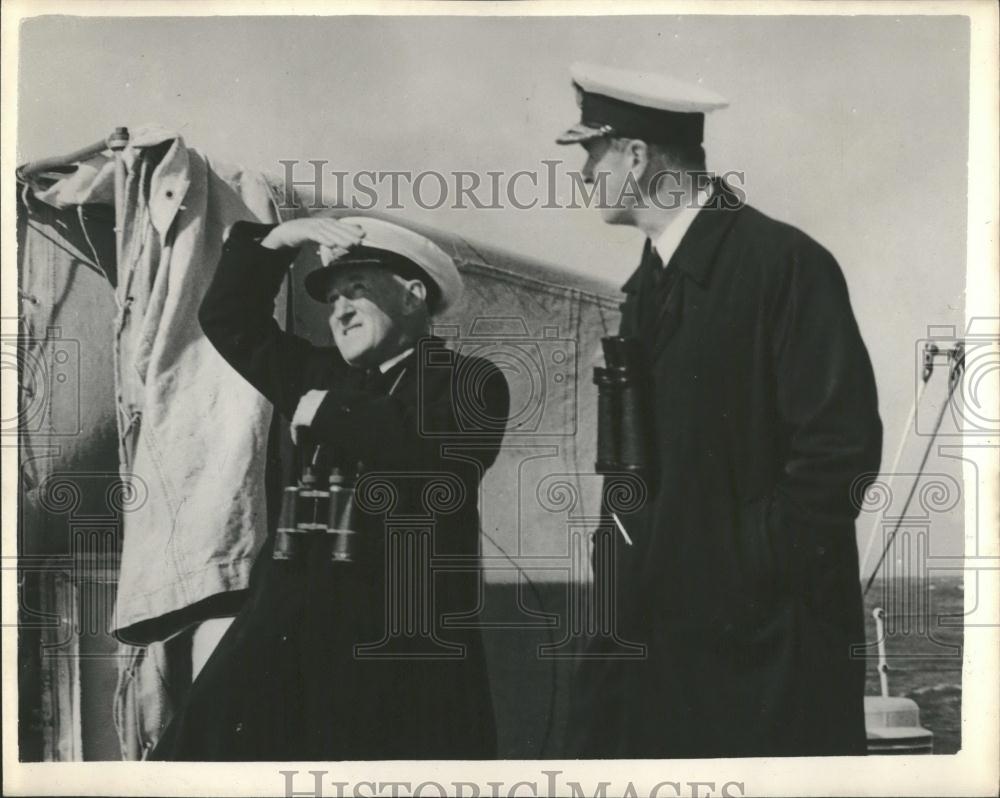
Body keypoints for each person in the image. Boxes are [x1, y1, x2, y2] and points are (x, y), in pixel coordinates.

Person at [556, 62, 883, 758]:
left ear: (638, 156)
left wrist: (741, 569)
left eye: (591, 151)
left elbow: (838, 457)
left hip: (762, 651)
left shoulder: (784, 265)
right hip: (656, 636)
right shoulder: (645, 288)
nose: (582, 173)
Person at [150, 215, 509, 760]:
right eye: (332, 297)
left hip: (398, 646)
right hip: (291, 629)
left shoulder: (469, 380)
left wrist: (329, 410)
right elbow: (228, 319)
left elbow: (440, 463)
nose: (338, 311)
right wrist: (275, 243)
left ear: (414, 296)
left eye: (356, 291)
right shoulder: (319, 373)